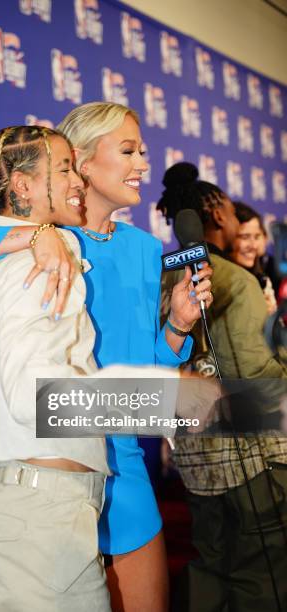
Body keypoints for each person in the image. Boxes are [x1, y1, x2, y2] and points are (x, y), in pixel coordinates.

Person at [0, 103, 213, 612]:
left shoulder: (141, 248)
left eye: (143, 151)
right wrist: (38, 234)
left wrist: (178, 326)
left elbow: (144, 366)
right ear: (84, 162)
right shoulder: (43, 243)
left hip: (118, 466)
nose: (143, 163)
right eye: (128, 150)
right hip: (52, 472)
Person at [158, 162, 287, 612]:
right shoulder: (235, 280)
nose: (237, 224)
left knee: (210, 566)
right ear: (214, 215)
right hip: (253, 461)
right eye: (232, 214)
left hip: (196, 461)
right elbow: (258, 374)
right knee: (261, 572)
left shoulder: (159, 277)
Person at [231, 201, 277, 315]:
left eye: (257, 237)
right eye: (245, 237)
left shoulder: (263, 279)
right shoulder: (216, 280)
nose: (253, 246)